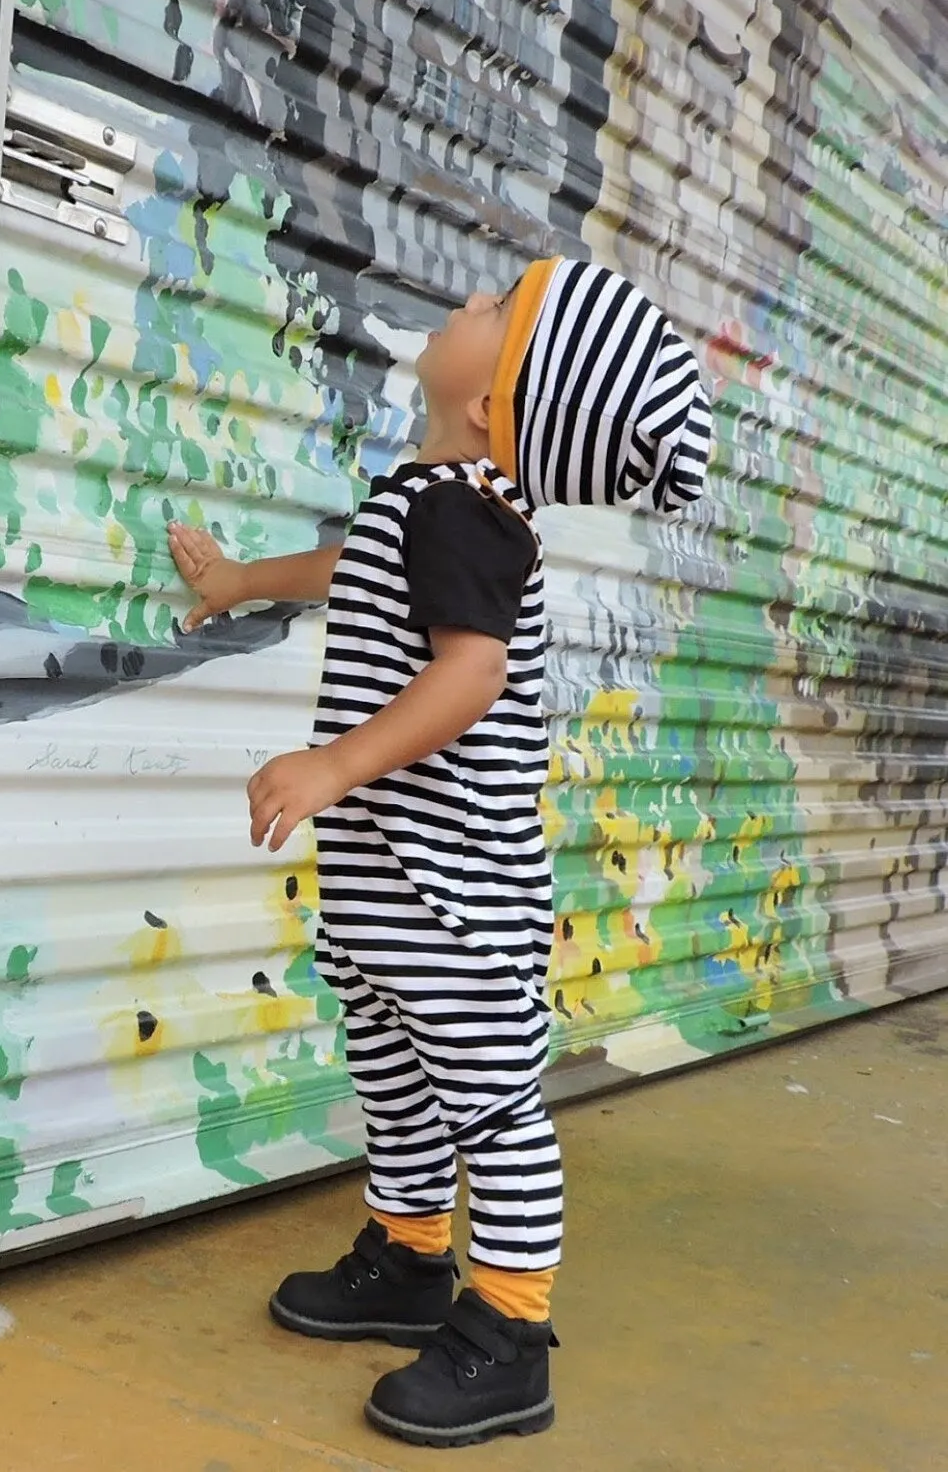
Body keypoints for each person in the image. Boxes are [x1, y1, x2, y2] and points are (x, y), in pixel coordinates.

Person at [168, 257, 713, 1449]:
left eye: (494, 311)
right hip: (386, 883)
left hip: (451, 886)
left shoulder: (470, 512)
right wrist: (237, 584)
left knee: (489, 1102)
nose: (465, 302)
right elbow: (352, 573)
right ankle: (411, 1259)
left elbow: (471, 675)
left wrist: (332, 766)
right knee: (399, 1073)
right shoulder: (422, 499)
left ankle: (511, 1330)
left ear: (494, 404)